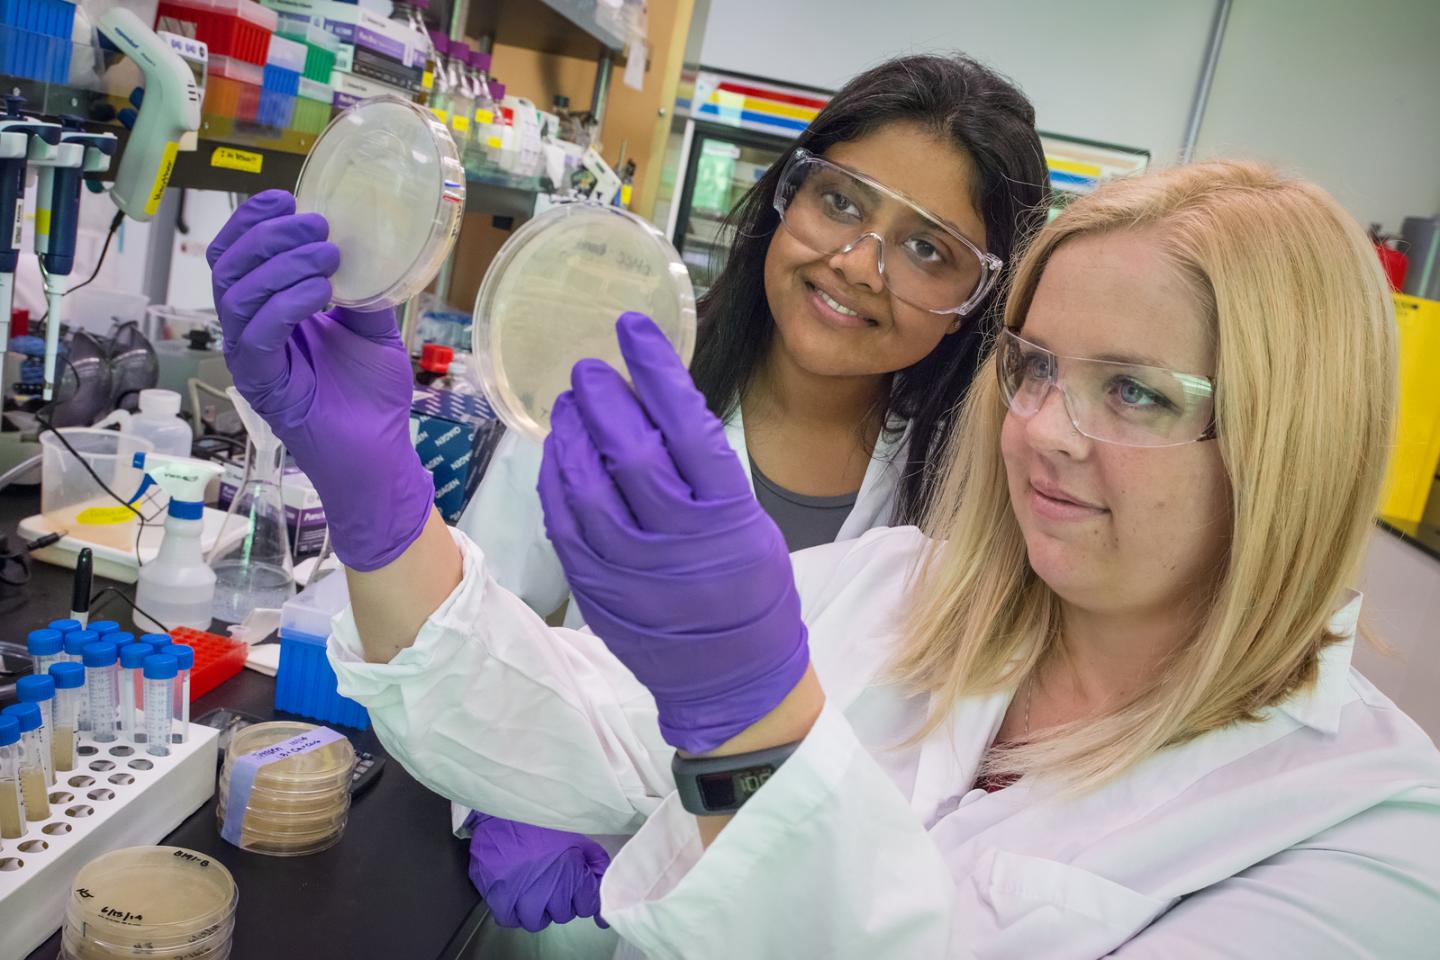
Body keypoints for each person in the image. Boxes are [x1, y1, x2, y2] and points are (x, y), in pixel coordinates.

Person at [210, 160, 1440, 956]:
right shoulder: (905, 587)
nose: (1047, 434)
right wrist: (378, 502)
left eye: (1137, 392)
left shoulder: (1368, 830)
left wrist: (751, 728)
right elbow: (567, 721)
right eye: (1039, 368)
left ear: (1293, 439)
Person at [451, 53, 1047, 951]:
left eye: (928, 249)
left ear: (980, 298)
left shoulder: (972, 513)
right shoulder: (613, 388)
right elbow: (463, 617)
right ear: (787, 195)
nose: (857, 264)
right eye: (841, 202)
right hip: (553, 924)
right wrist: (496, 799)